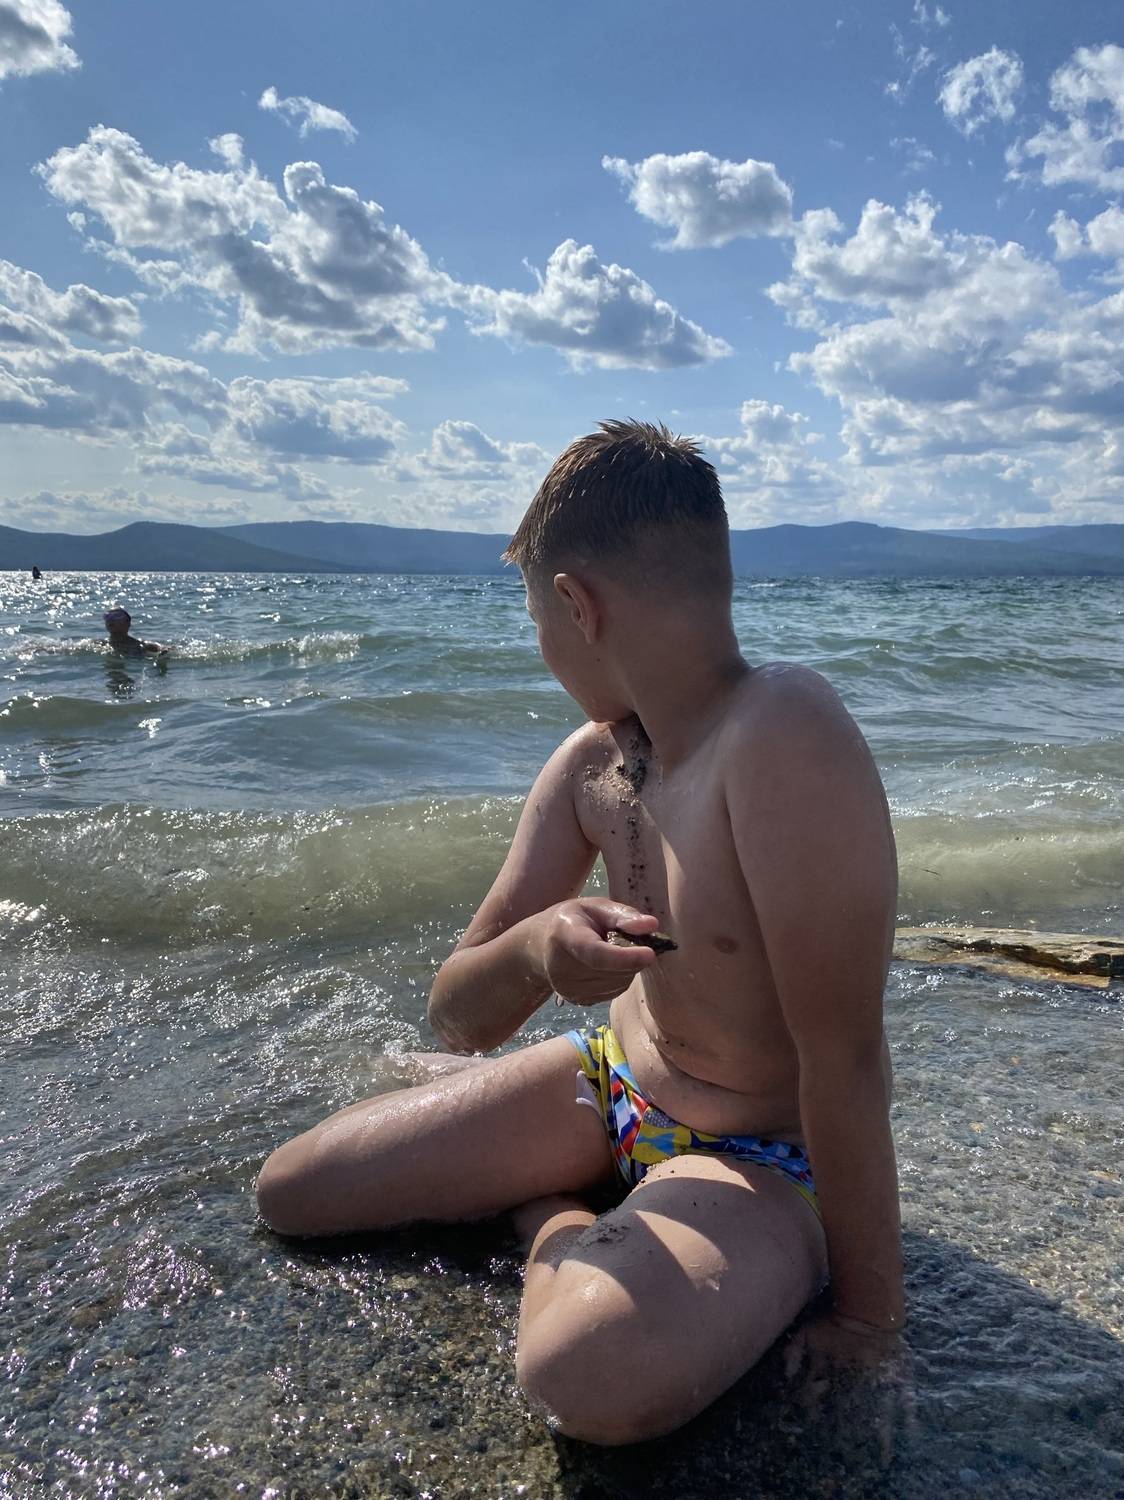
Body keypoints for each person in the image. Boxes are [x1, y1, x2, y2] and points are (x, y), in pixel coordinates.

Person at [256, 420, 905, 1445]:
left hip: (762, 1161)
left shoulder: (781, 732)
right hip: (606, 1084)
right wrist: (538, 947)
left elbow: (845, 1054)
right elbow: (459, 1014)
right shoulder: (590, 768)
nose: (544, 648)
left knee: (585, 1378)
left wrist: (868, 1317)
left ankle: (547, 1219)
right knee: (292, 1191)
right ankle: (574, 1191)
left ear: (575, 605)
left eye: (537, 621)